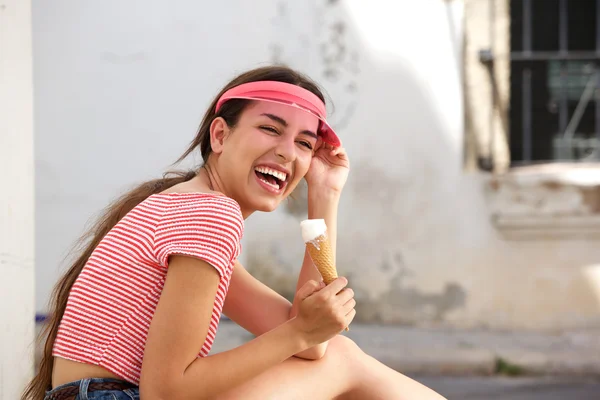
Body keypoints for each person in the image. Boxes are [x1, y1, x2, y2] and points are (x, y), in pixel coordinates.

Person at [23, 65, 446, 400]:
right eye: (270, 128)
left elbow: (312, 344)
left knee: (338, 354)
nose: (286, 151)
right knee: (344, 361)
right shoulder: (211, 215)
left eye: (304, 142)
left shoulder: (185, 208)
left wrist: (324, 195)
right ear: (221, 135)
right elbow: (166, 392)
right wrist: (300, 332)